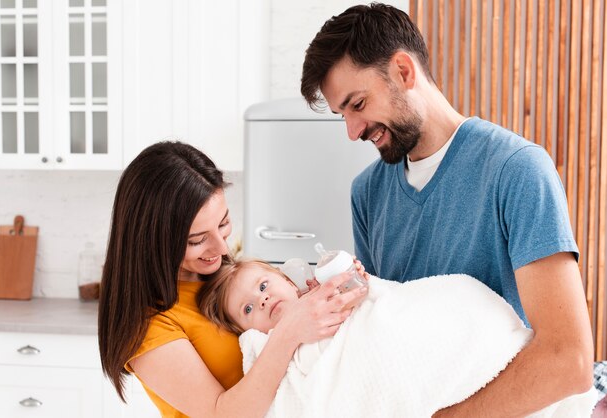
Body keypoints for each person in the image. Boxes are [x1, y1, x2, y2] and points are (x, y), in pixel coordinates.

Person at [300, 3, 594, 417]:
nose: (353, 132)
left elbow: (571, 362)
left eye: (358, 104)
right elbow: (382, 334)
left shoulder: (517, 170)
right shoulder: (366, 193)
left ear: (403, 71)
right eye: (342, 116)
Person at [97, 141, 367, 418]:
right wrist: (290, 331)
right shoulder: (148, 326)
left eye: (223, 223)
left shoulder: (221, 277)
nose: (222, 249)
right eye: (198, 240)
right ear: (152, 240)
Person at [197, 258, 598, 418]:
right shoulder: (259, 347)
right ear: (243, 331)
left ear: (288, 280)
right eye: (248, 309)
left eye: (264, 285)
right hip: (351, 379)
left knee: (453, 312)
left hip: (401, 331)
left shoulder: (323, 290)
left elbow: (379, 296)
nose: (262, 299)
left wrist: (357, 282)